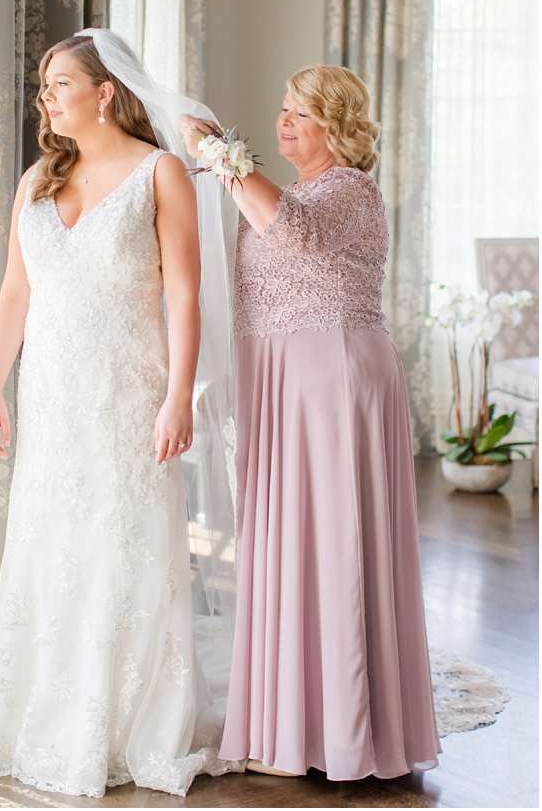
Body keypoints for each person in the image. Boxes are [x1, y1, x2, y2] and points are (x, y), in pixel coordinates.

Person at [0, 30, 236, 798]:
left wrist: (179, 394)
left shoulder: (162, 173)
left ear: (104, 91)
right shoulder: (36, 183)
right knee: (53, 548)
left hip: (129, 395)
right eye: (44, 87)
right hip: (51, 398)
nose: (46, 99)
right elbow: (16, 294)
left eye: (59, 84)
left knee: (125, 552)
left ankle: (128, 723)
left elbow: (184, 295)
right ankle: (49, 715)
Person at [184, 64, 440, 779]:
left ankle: (347, 731)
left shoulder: (352, 191)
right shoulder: (294, 189)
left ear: (336, 125)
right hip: (282, 380)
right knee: (289, 545)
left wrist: (214, 150)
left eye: (299, 112)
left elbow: (292, 235)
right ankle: (292, 721)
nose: (283, 122)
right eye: (283, 109)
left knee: (337, 544)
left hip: (334, 379)